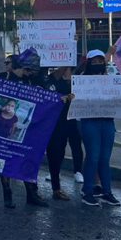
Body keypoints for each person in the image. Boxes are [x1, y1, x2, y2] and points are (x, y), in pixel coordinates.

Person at [0, 49, 50, 208]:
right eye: (30, 70)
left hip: (27, 127)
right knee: (5, 160)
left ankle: (31, 193)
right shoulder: (4, 79)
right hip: (6, 126)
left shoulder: (33, 81)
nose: (32, 73)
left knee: (29, 159)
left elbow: (44, 97)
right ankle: (7, 192)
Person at [78, 50, 118, 207]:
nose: (98, 64)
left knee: (105, 158)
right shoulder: (81, 80)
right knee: (93, 157)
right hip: (90, 121)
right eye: (94, 62)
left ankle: (107, 191)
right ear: (88, 63)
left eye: (100, 61)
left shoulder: (109, 79)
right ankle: (88, 191)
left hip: (107, 121)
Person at [45, 66, 80, 201]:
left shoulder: (75, 83)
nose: (66, 70)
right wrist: (60, 99)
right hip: (53, 124)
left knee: (60, 153)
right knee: (53, 153)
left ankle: (57, 186)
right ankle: (56, 187)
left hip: (69, 122)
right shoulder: (49, 80)